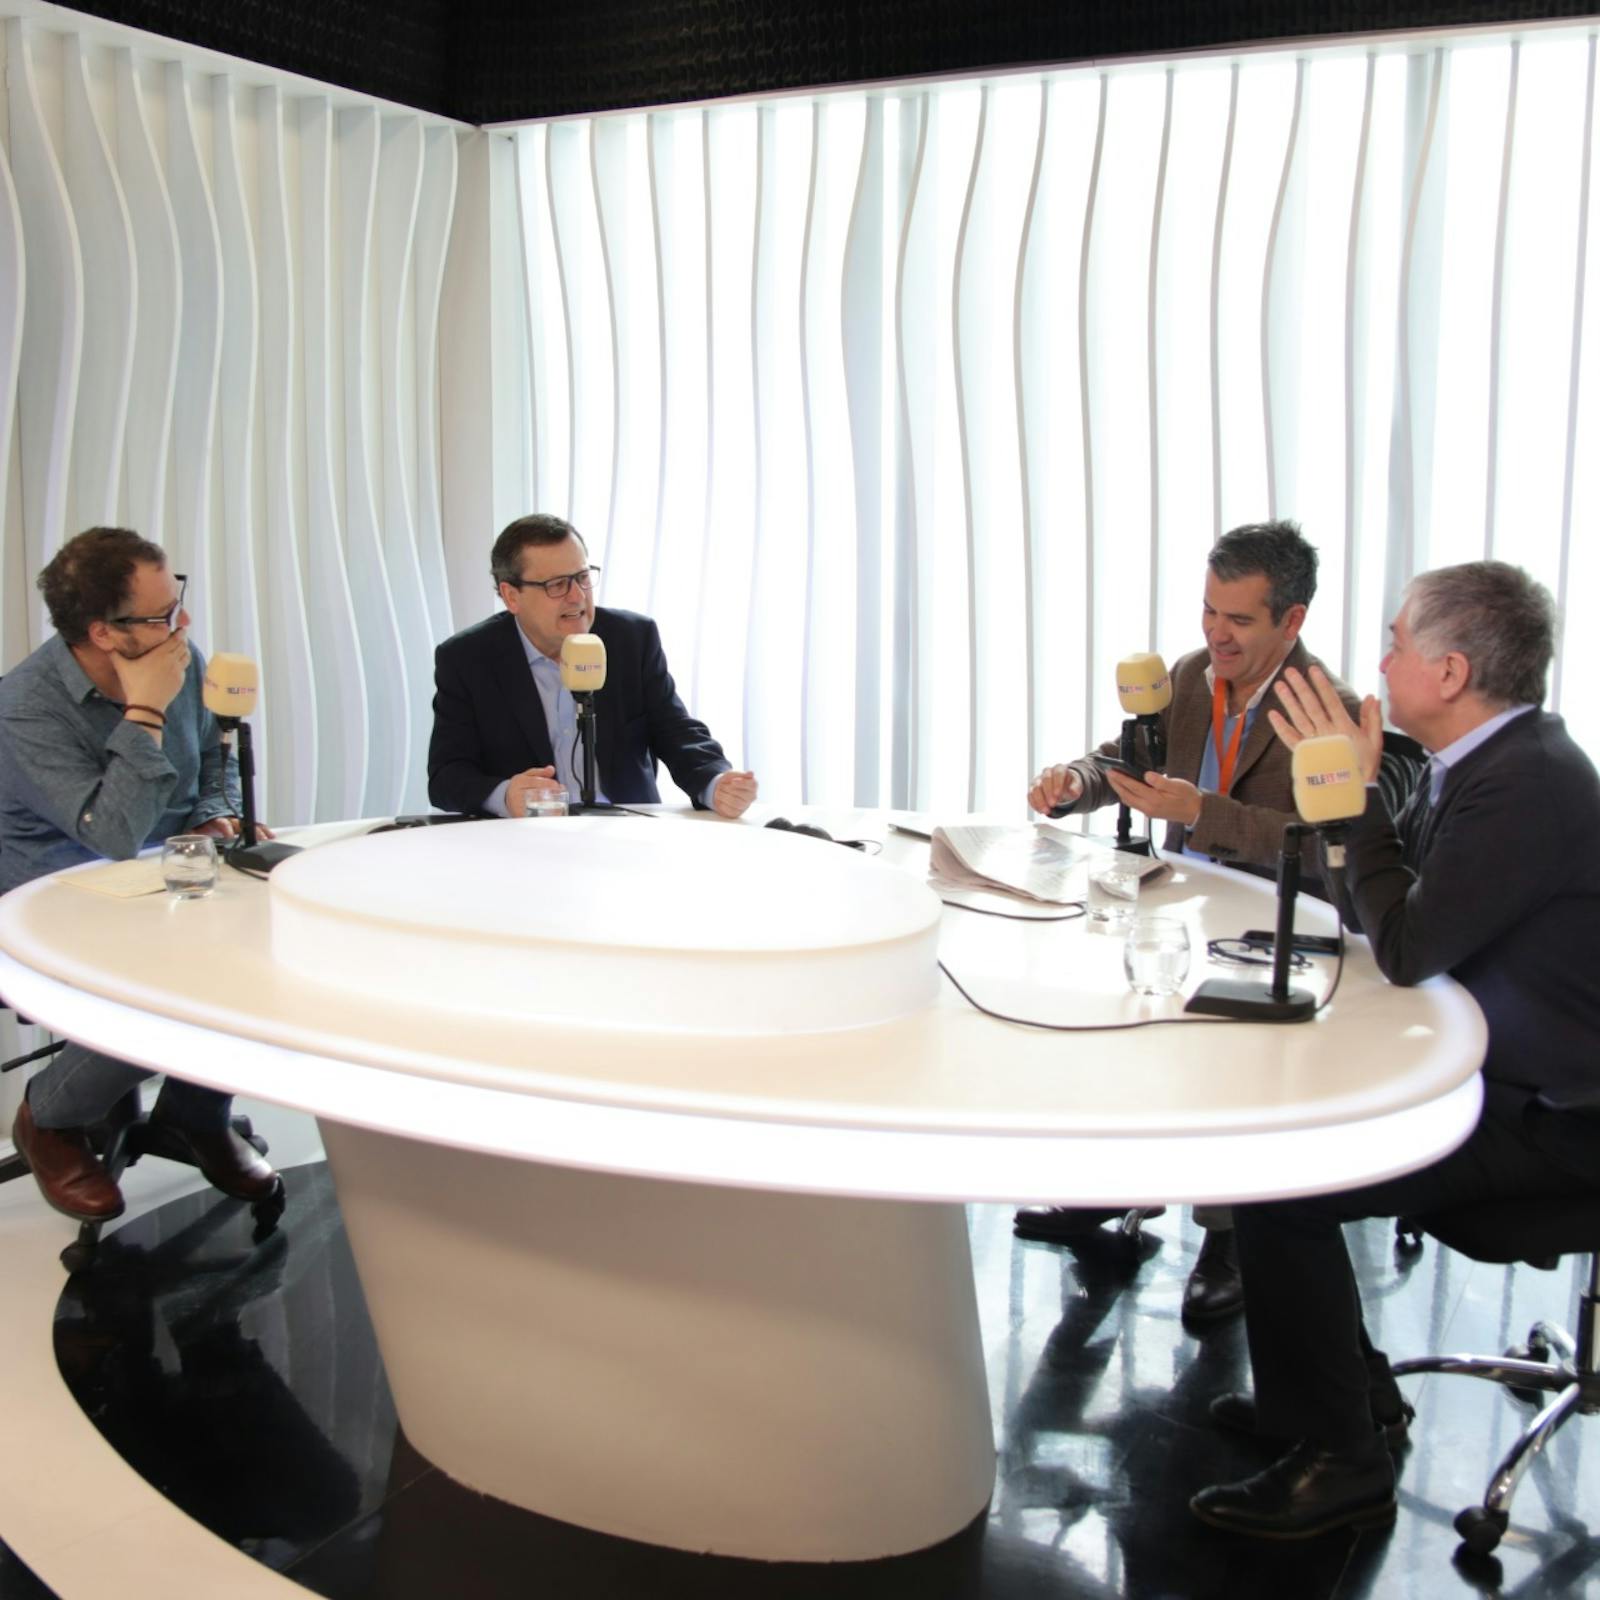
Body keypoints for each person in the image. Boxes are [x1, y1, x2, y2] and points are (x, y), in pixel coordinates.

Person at [1191, 560, 1600, 1539]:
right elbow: (1377, 910)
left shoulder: (1526, 786)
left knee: (1282, 1183)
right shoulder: (1490, 763)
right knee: (1278, 1151)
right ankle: (1343, 1398)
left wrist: (1351, 794)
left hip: (1553, 1117)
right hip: (1498, 1071)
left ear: (1450, 672)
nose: (1379, 665)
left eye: (1396, 644)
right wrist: (1350, 792)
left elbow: (1408, 947)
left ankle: (1342, 1459)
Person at [1021, 521, 1357, 1325]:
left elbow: (1326, 846)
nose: (1216, 633)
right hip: (1182, 903)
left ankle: (1230, 1234)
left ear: (1292, 620)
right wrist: (1077, 781)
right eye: (1209, 610)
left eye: (1239, 619)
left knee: (1233, 1060)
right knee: (1117, 1014)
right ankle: (1113, 1185)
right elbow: (1127, 758)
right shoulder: (1190, 675)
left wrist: (1205, 812)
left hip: (1275, 929)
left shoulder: (1328, 712)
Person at [1, 528, 279, 1222]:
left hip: (167, 875)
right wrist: (146, 709)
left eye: (176, 600)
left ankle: (194, 1113)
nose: (182, 624)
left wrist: (216, 815)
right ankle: (50, 1116)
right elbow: (112, 834)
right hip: (55, 894)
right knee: (179, 973)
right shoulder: (26, 706)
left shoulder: (177, 657)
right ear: (103, 632)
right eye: (161, 615)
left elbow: (214, 764)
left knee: (270, 943)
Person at [428, 514, 757, 820]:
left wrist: (715, 783)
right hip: (526, 839)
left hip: (624, 831)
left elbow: (675, 730)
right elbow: (446, 776)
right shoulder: (467, 659)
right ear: (512, 596)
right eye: (557, 584)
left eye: (582, 577)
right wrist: (505, 796)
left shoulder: (631, 639)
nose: (577, 596)